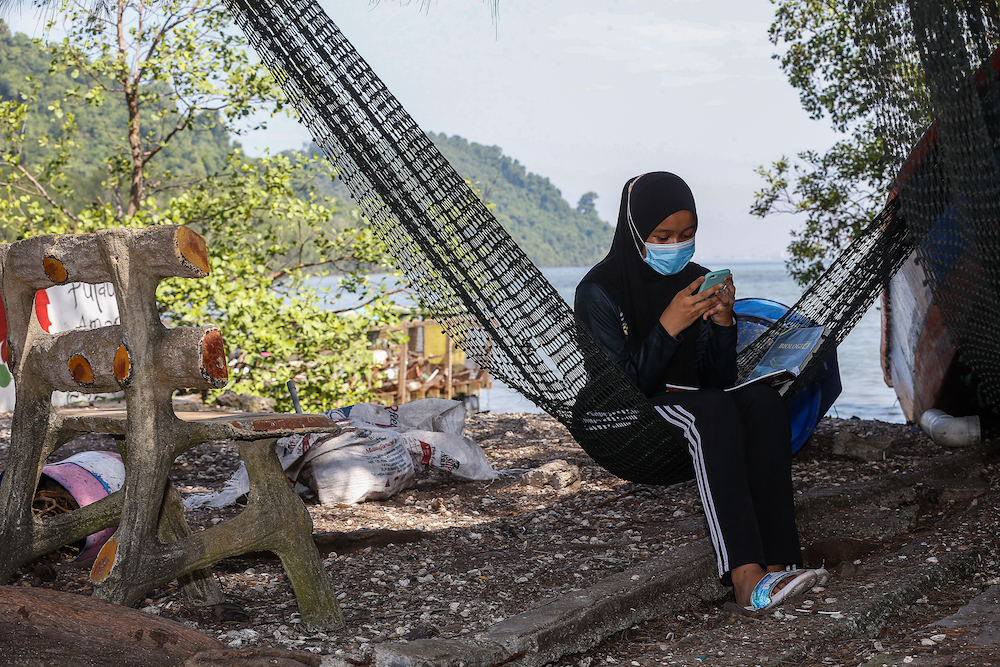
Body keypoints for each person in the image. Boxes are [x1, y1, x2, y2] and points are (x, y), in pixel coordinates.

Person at [574, 171, 825, 610]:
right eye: (662, 235)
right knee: (710, 411)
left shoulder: (697, 278)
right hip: (630, 413)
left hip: (696, 398)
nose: (675, 245)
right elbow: (617, 391)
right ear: (635, 231)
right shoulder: (599, 291)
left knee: (762, 402)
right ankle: (746, 579)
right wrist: (669, 325)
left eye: (686, 235)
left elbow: (717, 380)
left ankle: (781, 564)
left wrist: (723, 323)